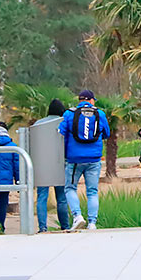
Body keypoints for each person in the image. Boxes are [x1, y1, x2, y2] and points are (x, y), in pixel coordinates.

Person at [59, 90, 110, 231]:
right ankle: (92, 222)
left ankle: (77, 216)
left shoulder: (69, 114)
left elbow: (61, 132)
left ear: (79, 100)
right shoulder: (100, 114)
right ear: (91, 100)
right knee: (92, 191)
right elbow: (107, 133)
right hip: (94, 159)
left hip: (74, 159)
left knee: (70, 188)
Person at [34, 99, 70, 233]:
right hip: (60, 164)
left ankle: (42, 227)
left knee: (42, 197)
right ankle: (65, 226)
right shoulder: (63, 123)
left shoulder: (38, 124)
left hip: (42, 165)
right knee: (61, 198)